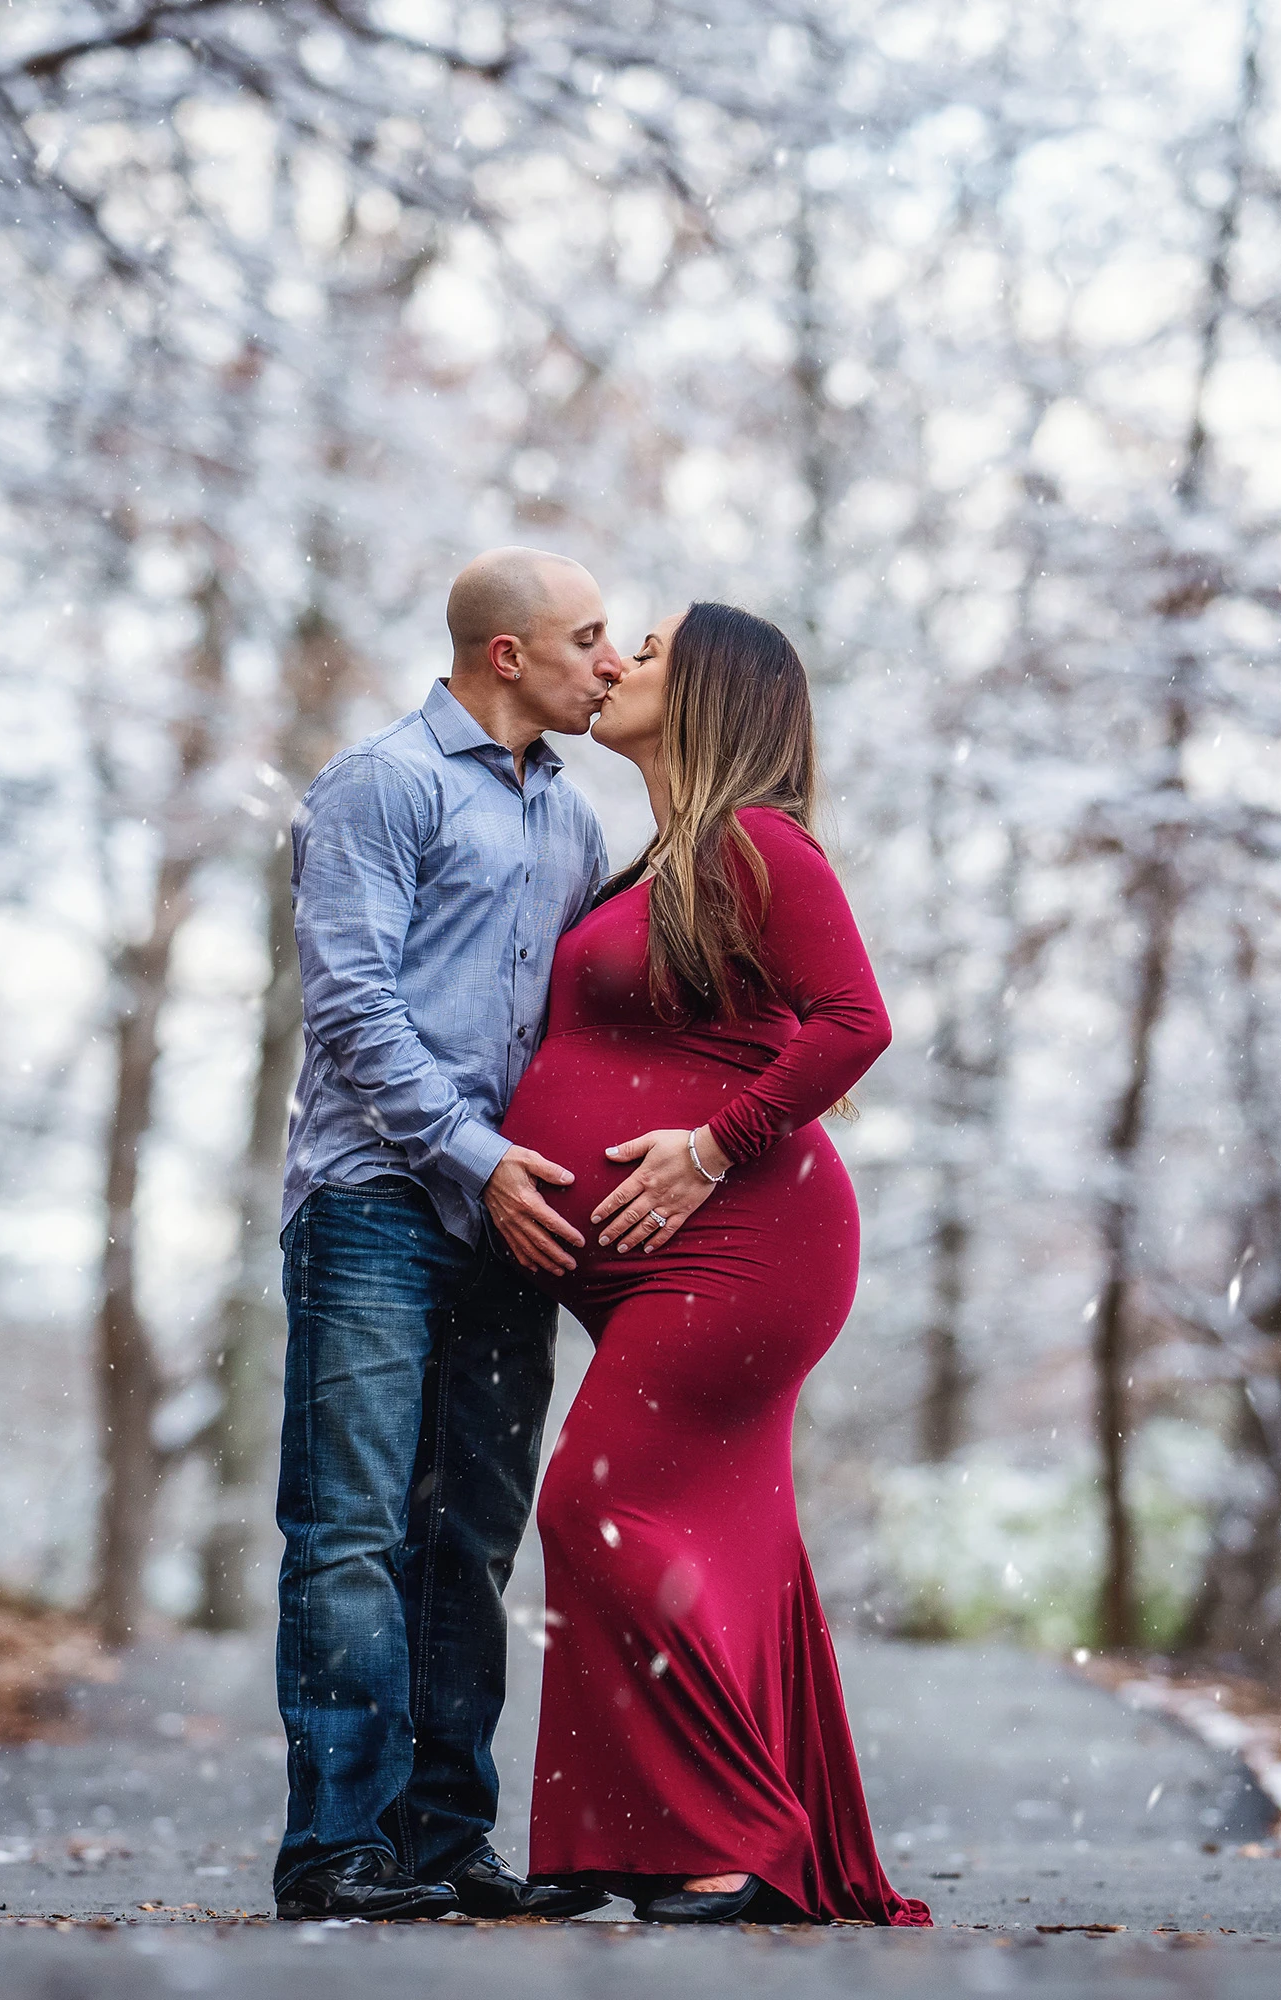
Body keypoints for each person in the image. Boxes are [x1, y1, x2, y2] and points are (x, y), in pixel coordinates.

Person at [499, 602, 931, 1927]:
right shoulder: (660, 862)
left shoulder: (756, 843)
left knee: (595, 1505)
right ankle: (624, 1841)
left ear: (715, 696)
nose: (616, 662)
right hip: (667, 1257)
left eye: (652, 649)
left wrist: (709, 1147)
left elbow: (857, 1023)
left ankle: (737, 1838)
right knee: (718, 1540)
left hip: (746, 1242)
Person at [269, 547, 628, 1923]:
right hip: (374, 1204)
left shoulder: (576, 822)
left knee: (469, 1534)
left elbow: (570, 1035)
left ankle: (442, 1844)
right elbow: (354, 1011)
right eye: (588, 638)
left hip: (508, 1222)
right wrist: (473, 1161)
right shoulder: (382, 784)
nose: (609, 661)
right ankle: (337, 1854)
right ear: (506, 654)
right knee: (351, 1529)